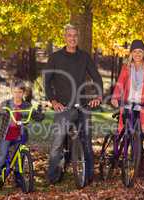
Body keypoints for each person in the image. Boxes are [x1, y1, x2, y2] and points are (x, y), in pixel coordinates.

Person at [45, 24, 103, 184]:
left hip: (83, 105)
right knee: (58, 141)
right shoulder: (55, 57)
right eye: (69, 35)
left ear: (78, 38)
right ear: (64, 37)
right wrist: (53, 101)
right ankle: (53, 176)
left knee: (86, 141)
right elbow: (47, 81)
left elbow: (96, 77)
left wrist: (98, 95)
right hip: (63, 106)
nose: (72, 38)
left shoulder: (84, 57)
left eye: (75, 36)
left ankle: (89, 176)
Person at [111, 39, 144, 179]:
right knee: (128, 135)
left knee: (139, 137)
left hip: (143, 107)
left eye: (140, 51)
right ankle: (133, 165)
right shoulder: (126, 67)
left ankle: (139, 168)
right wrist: (115, 97)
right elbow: (120, 83)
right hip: (128, 105)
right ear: (131, 53)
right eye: (135, 51)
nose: (137, 54)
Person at [0, 80, 43, 191]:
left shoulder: (26, 105)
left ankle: (19, 178)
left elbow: (36, 116)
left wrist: (40, 113)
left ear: (23, 93)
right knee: (2, 157)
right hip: (7, 134)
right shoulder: (7, 104)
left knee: (20, 157)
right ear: (11, 92)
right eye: (15, 92)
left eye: (19, 92)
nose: (17, 94)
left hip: (20, 134)